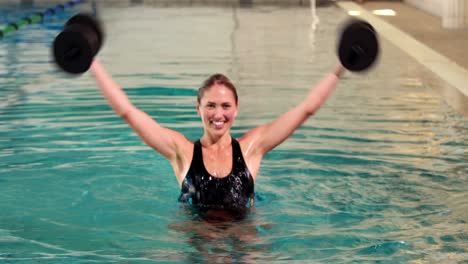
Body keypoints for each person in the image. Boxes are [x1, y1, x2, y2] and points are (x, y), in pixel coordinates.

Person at [90, 59, 345, 216]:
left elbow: (305, 109)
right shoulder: (182, 152)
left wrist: (341, 66)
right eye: (210, 106)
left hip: (243, 240)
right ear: (198, 108)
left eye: (225, 106)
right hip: (198, 243)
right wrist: (91, 62)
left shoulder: (251, 149)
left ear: (236, 108)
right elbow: (128, 112)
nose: (218, 114)